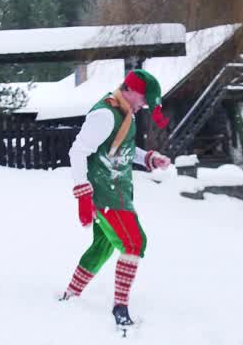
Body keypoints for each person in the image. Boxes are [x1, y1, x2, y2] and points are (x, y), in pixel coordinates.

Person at [60, 68, 171, 329]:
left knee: (104, 245)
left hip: (118, 191)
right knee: (134, 242)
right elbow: (77, 152)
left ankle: (71, 294)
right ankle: (120, 308)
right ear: (130, 90)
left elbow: (123, 150)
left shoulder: (125, 114)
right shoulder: (104, 115)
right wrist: (83, 195)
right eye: (144, 99)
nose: (145, 105)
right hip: (105, 194)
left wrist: (148, 158)